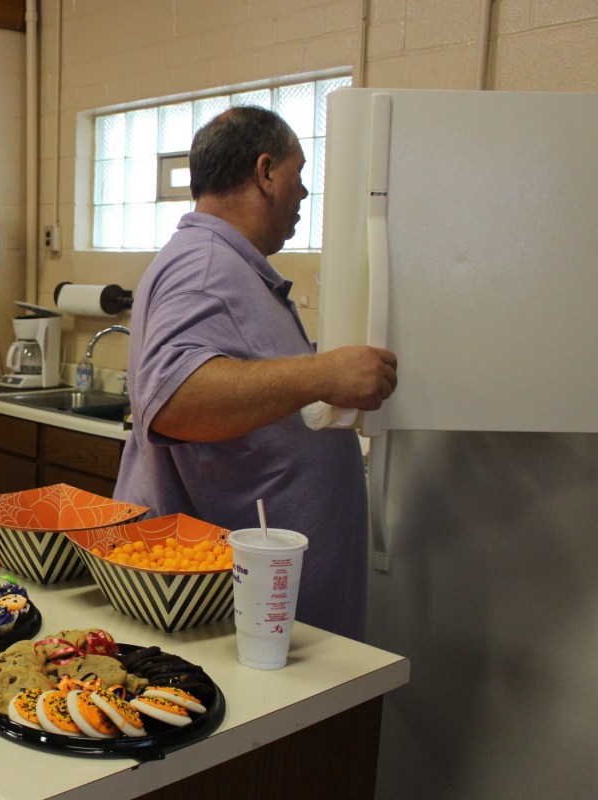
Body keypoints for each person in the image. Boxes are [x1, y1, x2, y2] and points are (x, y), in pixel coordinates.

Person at [113, 106, 397, 640]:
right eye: (298, 173)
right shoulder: (204, 266)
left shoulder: (224, 265)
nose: (304, 192)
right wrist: (320, 374)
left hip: (258, 599)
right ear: (266, 172)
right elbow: (174, 401)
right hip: (236, 606)